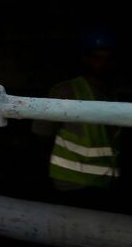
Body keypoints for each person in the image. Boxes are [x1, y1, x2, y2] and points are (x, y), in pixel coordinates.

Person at [33, 28, 122, 209]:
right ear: (86, 59)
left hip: (104, 182)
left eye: (108, 58)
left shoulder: (112, 95)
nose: (103, 64)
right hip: (72, 184)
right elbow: (41, 135)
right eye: (97, 57)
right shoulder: (65, 91)